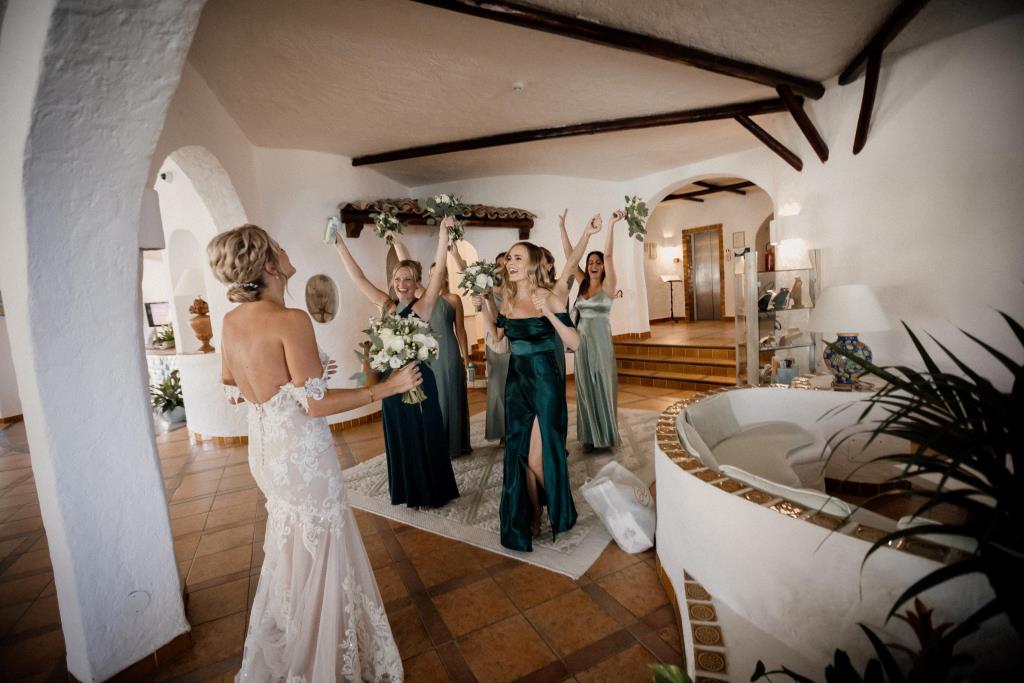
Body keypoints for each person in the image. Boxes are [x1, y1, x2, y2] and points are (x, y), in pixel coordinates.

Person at [208, 224, 409, 681]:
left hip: (266, 451)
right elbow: (315, 405)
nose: (286, 250)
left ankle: (299, 636)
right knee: (324, 543)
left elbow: (233, 386)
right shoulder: (290, 319)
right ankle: (320, 657)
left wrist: (293, 384)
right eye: (279, 247)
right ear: (269, 265)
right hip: (302, 454)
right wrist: (387, 388)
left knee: (294, 546)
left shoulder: (231, 321)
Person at [475, 217, 600, 551]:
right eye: (509, 258)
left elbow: (575, 343)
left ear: (532, 263)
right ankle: (532, 513)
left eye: (517, 257)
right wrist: (484, 308)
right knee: (520, 455)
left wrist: (586, 232)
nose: (510, 263)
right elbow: (498, 338)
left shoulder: (551, 294)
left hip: (545, 379)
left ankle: (559, 506)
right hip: (517, 381)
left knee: (536, 459)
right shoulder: (507, 299)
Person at [333, 219, 460, 509]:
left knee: (423, 432)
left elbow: (440, 270)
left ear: (417, 283)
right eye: (398, 279)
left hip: (417, 377)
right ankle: (408, 491)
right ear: (392, 282)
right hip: (391, 382)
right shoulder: (386, 306)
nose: (402, 285)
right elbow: (359, 278)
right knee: (401, 433)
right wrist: (340, 245)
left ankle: (430, 492)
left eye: (408, 280)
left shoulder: (423, 306)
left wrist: (443, 235)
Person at [561, 209, 622, 450]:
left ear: (603, 267)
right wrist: (562, 228)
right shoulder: (582, 283)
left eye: (598, 262)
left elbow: (609, 254)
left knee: (602, 385)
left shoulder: (609, 286)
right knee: (585, 387)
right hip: (582, 343)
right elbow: (570, 258)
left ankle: (605, 436)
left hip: (601, 343)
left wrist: (611, 224)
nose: (594, 265)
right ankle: (589, 436)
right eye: (590, 262)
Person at [424, 260, 472, 457]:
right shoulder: (423, 299)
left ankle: (456, 444)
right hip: (430, 355)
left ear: (445, 276)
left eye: (439, 274)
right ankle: (437, 444)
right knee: (435, 397)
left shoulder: (454, 299)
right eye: (432, 275)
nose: (435, 277)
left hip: (449, 352)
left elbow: (460, 330)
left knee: (451, 394)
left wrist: (466, 357)